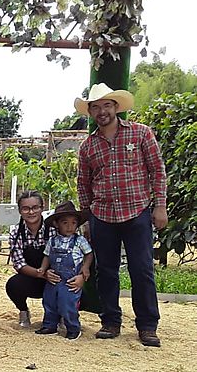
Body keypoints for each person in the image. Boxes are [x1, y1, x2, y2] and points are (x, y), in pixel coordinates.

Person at [76, 83, 167, 347]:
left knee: (142, 270)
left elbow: (157, 171)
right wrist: (87, 219)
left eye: (106, 105)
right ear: (91, 112)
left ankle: (148, 325)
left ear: (116, 107)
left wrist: (159, 206)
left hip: (137, 211)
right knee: (106, 271)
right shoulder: (88, 146)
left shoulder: (140, 134)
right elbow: (84, 184)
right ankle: (110, 321)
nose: (102, 111)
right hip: (102, 215)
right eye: (96, 107)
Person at [35, 201, 93, 340]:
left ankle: (73, 327)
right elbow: (47, 256)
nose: (69, 227)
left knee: (67, 302)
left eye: (73, 223)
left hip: (71, 279)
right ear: (57, 224)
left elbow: (89, 254)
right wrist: (43, 268)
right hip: (55, 277)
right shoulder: (53, 241)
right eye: (65, 223)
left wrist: (85, 268)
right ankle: (50, 325)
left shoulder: (79, 241)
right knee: (49, 301)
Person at [5, 191, 55, 328]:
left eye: (35, 207)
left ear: (42, 208)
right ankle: (23, 311)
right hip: (32, 277)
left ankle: (59, 314)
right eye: (25, 208)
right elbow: (19, 264)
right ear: (20, 211)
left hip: (55, 276)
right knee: (13, 284)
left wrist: (52, 275)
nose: (31, 212)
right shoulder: (16, 232)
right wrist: (42, 274)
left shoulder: (53, 229)